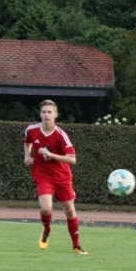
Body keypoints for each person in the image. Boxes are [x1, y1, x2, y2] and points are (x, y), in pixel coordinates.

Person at [23, 99, 87, 255]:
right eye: (44, 112)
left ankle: (76, 246)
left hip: (62, 176)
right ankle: (47, 229)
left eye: (50, 112)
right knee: (46, 208)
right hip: (43, 175)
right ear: (40, 114)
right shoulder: (31, 130)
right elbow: (27, 142)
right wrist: (27, 156)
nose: (46, 115)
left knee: (69, 210)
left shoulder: (61, 135)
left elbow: (72, 159)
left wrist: (50, 154)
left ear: (56, 115)